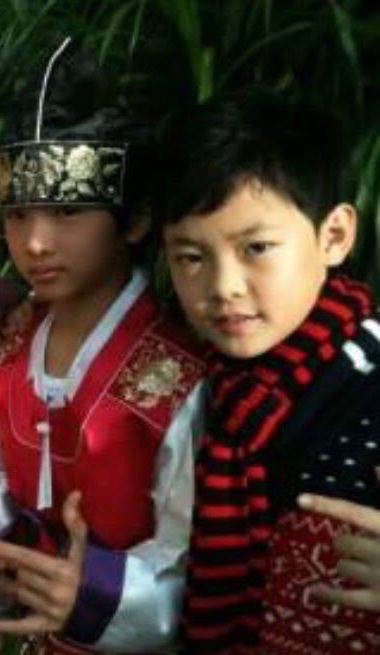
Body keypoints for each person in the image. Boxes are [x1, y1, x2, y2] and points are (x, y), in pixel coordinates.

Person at [0, 39, 205, 655]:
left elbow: (189, 555)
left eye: (68, 212)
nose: (36, 243)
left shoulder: (176, 374)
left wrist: (92, 593)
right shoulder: (9, 342)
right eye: (18, 215)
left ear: (135, 220)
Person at [157, 93, 380, 654]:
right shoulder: (198, 386)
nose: (224, 286)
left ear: (334, 236)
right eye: (191, 257)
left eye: (256, 247)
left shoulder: (369, 384)